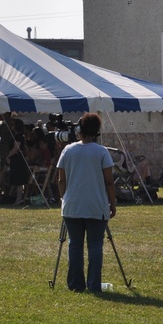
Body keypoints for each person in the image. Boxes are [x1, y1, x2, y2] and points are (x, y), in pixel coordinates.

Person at [56, 112, 117, 293]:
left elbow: (61, 179)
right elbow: (109, 181)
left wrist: (63, 197)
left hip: (72, 205)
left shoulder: (68, 150)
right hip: (96, 205)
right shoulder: (101, 152)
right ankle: (93, 285)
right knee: (95, 245)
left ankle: (76, 284)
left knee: (75, 244)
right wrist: (112, 203)